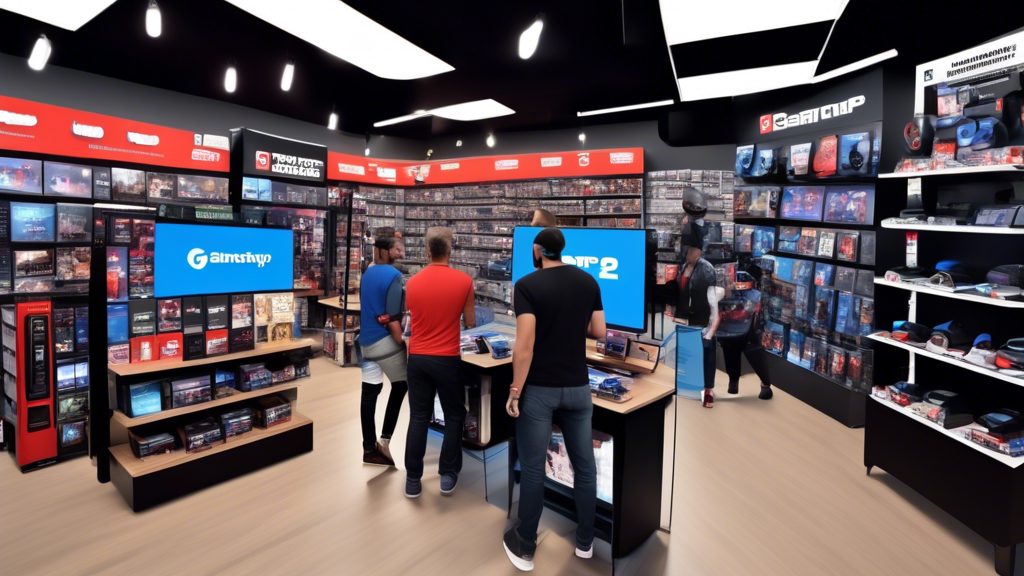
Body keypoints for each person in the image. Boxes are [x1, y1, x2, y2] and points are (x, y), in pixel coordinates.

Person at [502, 228, 606, 572]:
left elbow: (525, 345)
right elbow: (600, 332)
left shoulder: (527, 286)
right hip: (578, 388)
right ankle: (586, 543)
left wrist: (515, 389)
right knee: (585, 469)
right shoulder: (588, 281)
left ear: (537, 250)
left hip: (541, 390)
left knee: (532, 469)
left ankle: (526, 545)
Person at [404, 227, 476, 498]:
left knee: (419, 417)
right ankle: (447, 473)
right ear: (450, 250)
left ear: (427, 251)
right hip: (447, 358)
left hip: (418, 358)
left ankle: (413, 479)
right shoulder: (464, 280)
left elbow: (414, 315)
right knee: (454, 414)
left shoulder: (412, 282)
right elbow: (470, 322)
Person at [666, 187, 723, 408]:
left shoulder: (705, 269)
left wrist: (710, 326)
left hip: (701, 315)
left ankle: (708, 390)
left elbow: (711, 303)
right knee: (688, 346)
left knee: (707, 348)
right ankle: (688, 383)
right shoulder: (684, 266)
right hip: (686, 314)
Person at [357, 234, 408, 466]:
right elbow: (392, 318)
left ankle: (369, 449)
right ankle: (384, 440)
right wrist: (403, 343)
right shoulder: (394, 275)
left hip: (366, 344)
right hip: (384, 343)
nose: (401, 254)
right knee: (401, 385)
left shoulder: (367, 272)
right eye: (397, 250)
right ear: (386, 251)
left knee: (369, 394)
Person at [717, 262, 773, 399]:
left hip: (731, 329)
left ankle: (734, 383)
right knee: (754, 354)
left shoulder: (734, 291)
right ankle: (764, 385)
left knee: (731, 351)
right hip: (746, 332)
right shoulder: (755, 294)